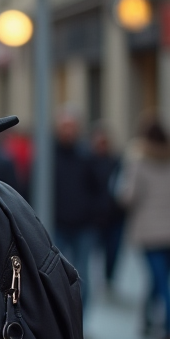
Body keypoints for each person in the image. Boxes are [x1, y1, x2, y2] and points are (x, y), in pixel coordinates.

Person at [118, 117, 170, 339]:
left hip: (149, 231)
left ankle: (169, 329)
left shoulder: (138, 160)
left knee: (161, 281)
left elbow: (127, 196)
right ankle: (148, 319)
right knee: (163, 279)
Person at [52, 108, 102, 305]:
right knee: (57, 272)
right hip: (57, 224)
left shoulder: (87, 155)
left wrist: (94, 215)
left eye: (71, 127)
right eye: (64, 127)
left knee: (82, 274)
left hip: (84, 226)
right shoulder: (49, 156)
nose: (68, 131)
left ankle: (81, 315)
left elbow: (98, 189)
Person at [90, 124, 126, 294]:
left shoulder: (117, 162)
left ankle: (108, 279)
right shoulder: (89, 162)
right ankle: (95, 279)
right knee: (93, 252)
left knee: (113, 252)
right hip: (95, 217)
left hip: (115, 217)